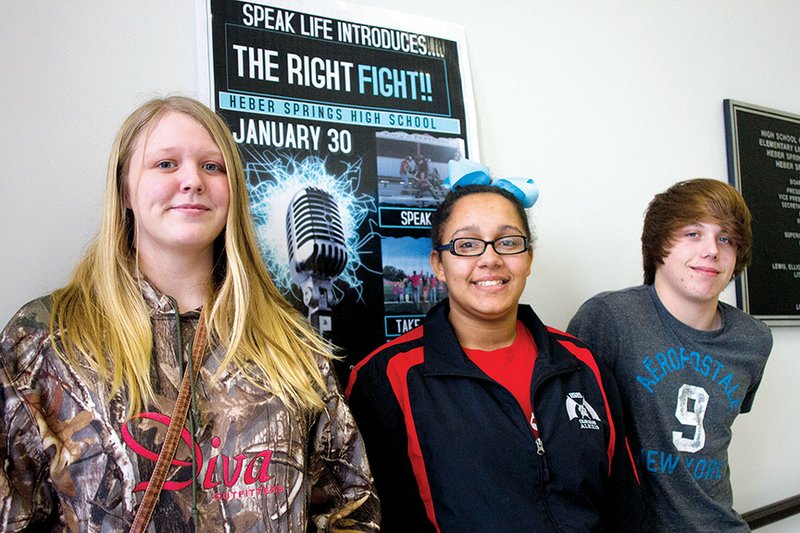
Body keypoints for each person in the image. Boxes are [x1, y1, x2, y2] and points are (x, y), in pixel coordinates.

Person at [0, 96, 379, 532]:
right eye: (165, 164)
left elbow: (350, 508)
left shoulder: (287, 341)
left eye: (212, 166)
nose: (192, 181)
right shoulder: (47, 338)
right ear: (124, 189)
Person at [346, 183, 642, 532]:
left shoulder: (584, 365)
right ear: (438, 264)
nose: (490, 258)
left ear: (529, 259)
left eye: (508, 242)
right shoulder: (385, 378)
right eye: (467, 244)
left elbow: (626, 507)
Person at [567, 178, 773, 532]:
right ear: (660, 241)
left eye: (725, 238)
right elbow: (570, 436)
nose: (711, 250)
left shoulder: (753, 339)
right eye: (693, 233)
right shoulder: (610, 319)